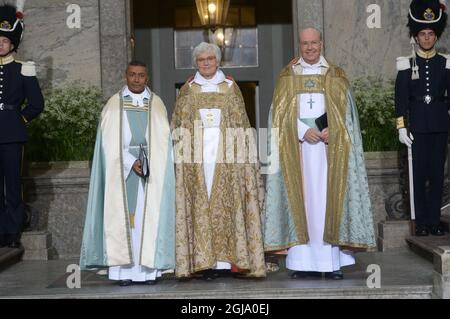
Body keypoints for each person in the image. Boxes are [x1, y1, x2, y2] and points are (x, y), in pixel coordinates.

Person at [263, 28, 376, 280]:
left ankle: (330, 262)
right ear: (299, 45)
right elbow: (277, 116)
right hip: (299, 150)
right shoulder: (288, 75)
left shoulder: (335, 74)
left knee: (328, 203)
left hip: (329, 152)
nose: (310, 48)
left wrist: (332, 129)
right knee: (302, 203)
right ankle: (302, 264)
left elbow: (348, 115)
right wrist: (302, 131)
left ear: (321, 43)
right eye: (305, 44)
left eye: (314, 42)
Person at [172, 42, 266, 280]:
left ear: (217, 61)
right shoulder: (188, 89)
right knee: (200, 204)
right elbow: (178, 125)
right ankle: (204, 263)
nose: (206, 63)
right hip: (197, 159)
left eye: (210, 59)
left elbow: (242, 124)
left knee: (228, 204)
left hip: (228, 157)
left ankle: (227, 262)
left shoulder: (230, 87)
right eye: (201, 60)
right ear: (196, 63)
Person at [80, 61, 176, 286]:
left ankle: (149, 272)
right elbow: (109, 145)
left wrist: (151, 162)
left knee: (148, 220)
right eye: (132, 75)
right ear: (126, 76)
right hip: (122, 172)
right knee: (125, 222)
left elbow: (164, 141)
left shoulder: (157, 104)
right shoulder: (114, 105)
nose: (136, 79)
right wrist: (132, 162)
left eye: (141, 75)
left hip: (151, 172)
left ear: (147, 78)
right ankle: (122, 273)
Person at [395, 0, 449, 237]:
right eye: (422, 34)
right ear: (415, 37)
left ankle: (434, 220)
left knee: (437, 175)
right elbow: (400, 99)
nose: (426, 38)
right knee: (418, 177)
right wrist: (401, 127)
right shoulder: (406, 64)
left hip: (439, 126)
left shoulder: (445, 63)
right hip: (416, 127)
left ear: (435, 36)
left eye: (430, 34)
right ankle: (422, 224)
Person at [0, 1, 44, 249]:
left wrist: (21, 119)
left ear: (13, 44)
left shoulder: (23, 69)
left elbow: (37, 103)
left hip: (12, 134)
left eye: (4, 41)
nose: (0, 44)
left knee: (13, 184)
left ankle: (13, 230)